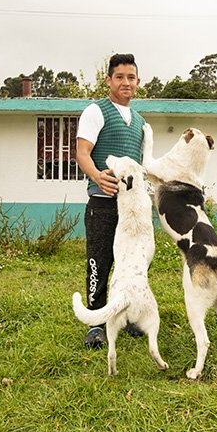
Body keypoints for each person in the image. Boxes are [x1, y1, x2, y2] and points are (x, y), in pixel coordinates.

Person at [75, 53, 146, 348]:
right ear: (109, 80)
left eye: (131, 77)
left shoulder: (141, 121)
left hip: (132, 208)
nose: (126, 82)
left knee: (132, 264)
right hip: (103, 203)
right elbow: (82, 153)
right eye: (119, 77)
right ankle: (96, 323)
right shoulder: (96, 111)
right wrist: (96, 177)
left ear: (138, 82)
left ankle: (127, 316)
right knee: (100, 262)